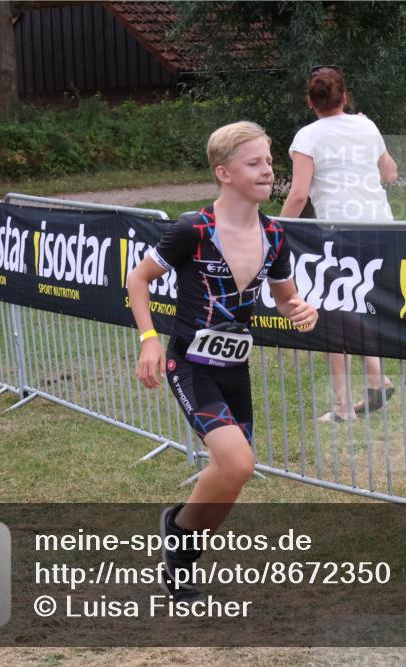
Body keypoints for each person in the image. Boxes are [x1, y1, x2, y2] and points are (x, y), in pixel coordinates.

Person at [127, 121, 318, 600]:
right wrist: (150, 339)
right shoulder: (194, 229)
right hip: (189, 364)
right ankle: (179, 534)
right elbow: (137, 279)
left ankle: (181, 541)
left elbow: (286, 297)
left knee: (236, 473)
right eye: (254, 163)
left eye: (269, 162)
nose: (267, 171)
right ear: (224, 173)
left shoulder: (275, 235)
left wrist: (301, 310)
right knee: (234, 462)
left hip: (235, 366)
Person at [280, 65, 399, 423]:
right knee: (356, 304)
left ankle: (343, 406)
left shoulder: (308, 136)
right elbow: (390, 173)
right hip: (381, 229)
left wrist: (276, 228)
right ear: (344, 97)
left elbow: (299, 193)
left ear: (310, 102)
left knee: (331, 311)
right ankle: (377, 380)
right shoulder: (366, 125)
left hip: (339, 233)